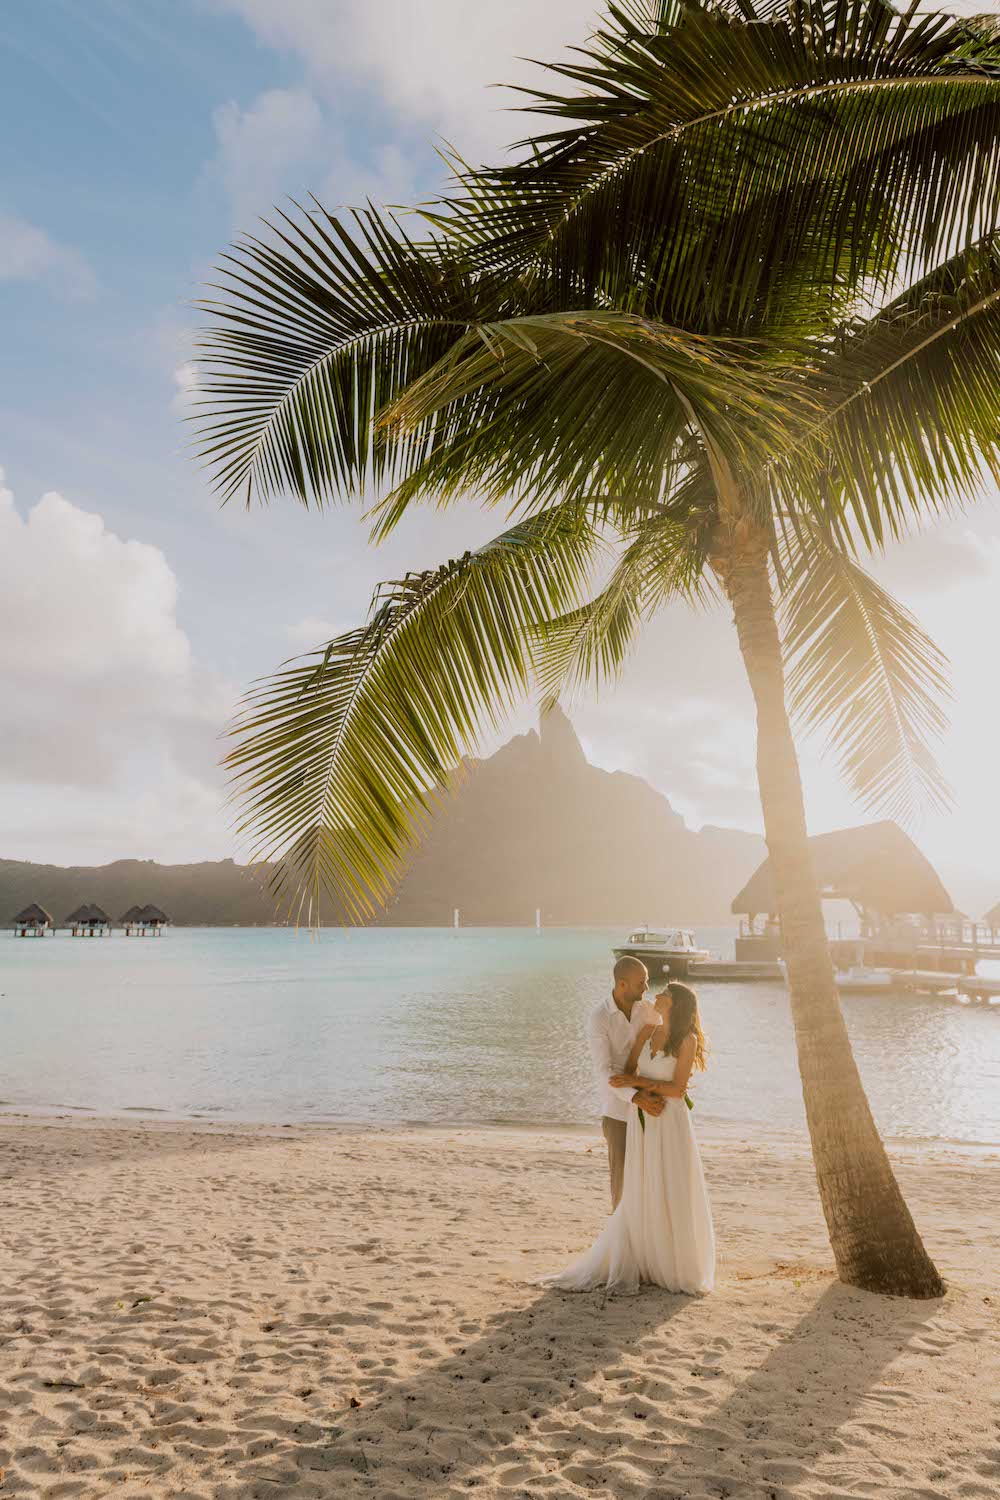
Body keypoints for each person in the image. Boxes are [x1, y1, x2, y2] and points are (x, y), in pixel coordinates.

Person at [549, 981, 715, 1296]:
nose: (658, 995)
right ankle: (647, 1258)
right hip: (645, 1121)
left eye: (665, 994)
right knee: (645, 1183)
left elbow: (678, 1089)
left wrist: (639, 1083)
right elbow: (624, 1072)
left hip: (670, 1121)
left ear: (676, 1004)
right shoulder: (647, 1033)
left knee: (672, 1183)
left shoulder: (687, 1040)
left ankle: (674, 1262)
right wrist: (638, 1091)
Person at [586, 956, 665, 1210]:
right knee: (621, 1188)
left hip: (652, 1109)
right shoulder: (599, 1018)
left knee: (649, 1183)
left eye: (647, 981)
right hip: (617, 1114)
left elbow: (669, 1043)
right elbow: (603, 1071)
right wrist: (635, 1096)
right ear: (622, 984)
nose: (646, 988)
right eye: (641, 982)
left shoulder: (648, 1009)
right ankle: (622, 1244)